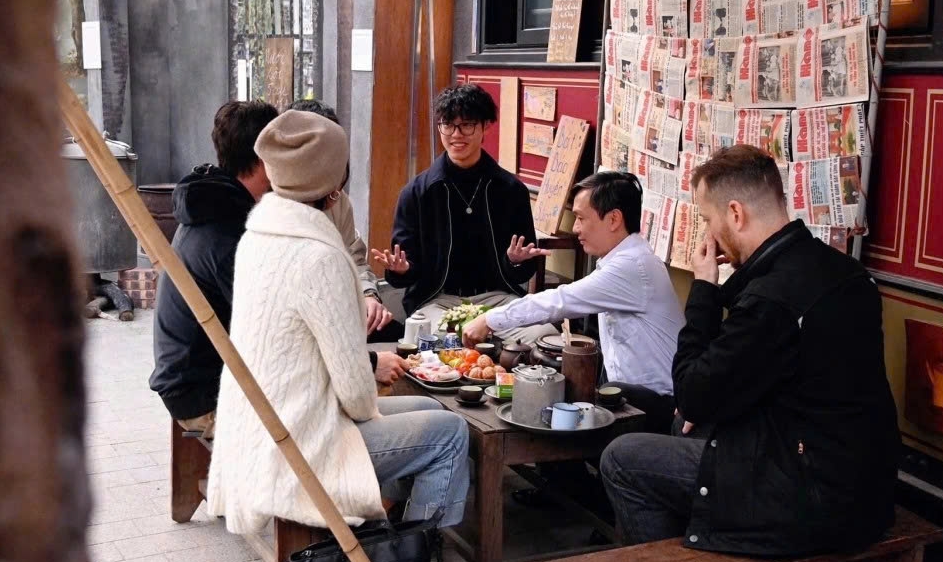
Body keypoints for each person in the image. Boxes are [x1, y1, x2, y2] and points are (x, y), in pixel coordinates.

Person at [600, 145, 899, 562]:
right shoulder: (842, 271)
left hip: (813, 496)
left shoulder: (771, 300)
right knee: (682, 424)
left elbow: (694, 389)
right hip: (863, 478)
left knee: (623, 459)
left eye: (707, 218)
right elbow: (780, 379)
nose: (708, 233)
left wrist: (703, 288)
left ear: (734, 213)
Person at [207, 111, 469, 533]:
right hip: (301, 445)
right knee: (450, 432)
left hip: (263, 428)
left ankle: (386, 534)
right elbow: (357, 397)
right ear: (333, 181)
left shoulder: (257, 236)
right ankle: (412, 560)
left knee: (429, 406)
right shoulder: (319, 256)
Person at [462, 171, 683, 435]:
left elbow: (560, 300)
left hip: (655, 403)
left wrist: (489, 319)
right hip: (630, 392)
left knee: (552, 417)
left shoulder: (632, 266)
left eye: (580, 218)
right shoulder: (623, 259)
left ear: (614, 219)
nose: (575, 228)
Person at [372, 83, 554, 344]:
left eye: (467, 125)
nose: (456, 134)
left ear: (485, 126)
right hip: (438, 301)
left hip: (497, 299)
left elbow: (522, 272)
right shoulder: (417, 192)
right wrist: (402, 270)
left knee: (542, 336)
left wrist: (514, 261)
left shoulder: (510, 190)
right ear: (439, 127)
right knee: (444, 342)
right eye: (448, 125)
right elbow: (406, 273)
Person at [149, 100, 278, 439]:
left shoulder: (212, 203)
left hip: (194, 382)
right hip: (204, 398)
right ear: (265, 157)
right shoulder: (226, 231)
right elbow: (272, 331)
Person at [288, 99, 405, 346]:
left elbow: (356, 261)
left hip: (341, 313)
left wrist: (369, 296)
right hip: (304, 326)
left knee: (403, 340)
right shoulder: (274, 207)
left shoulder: (338, 199)